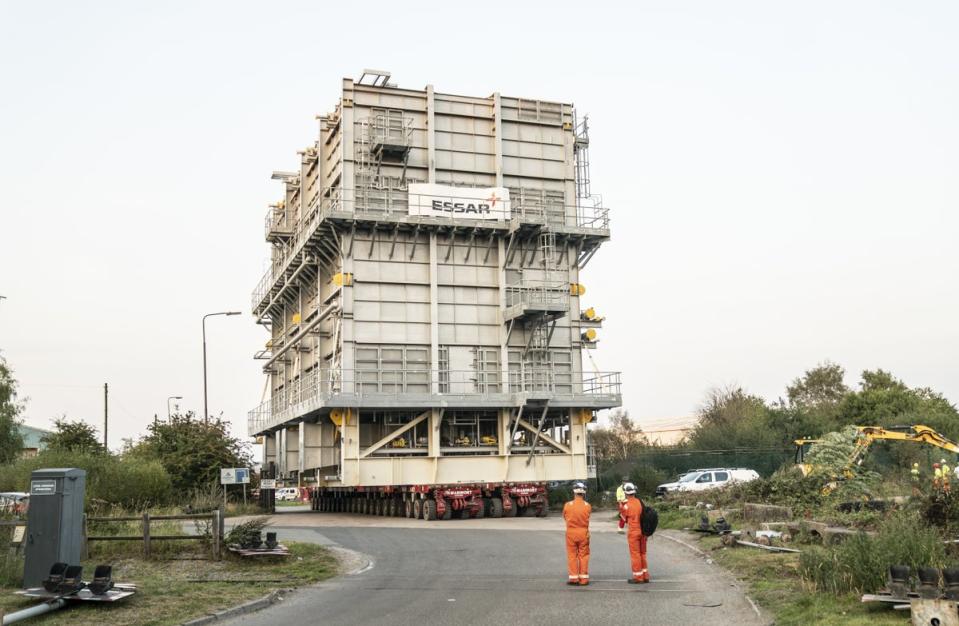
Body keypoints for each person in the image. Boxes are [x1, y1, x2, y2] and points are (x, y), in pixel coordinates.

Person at [563, 481, 591, 586]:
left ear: (574, 491)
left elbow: (565, 517)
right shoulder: (587, 506)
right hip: (583, 533)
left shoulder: (567, 505)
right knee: (583, 556)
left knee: (572, 555)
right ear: (584, 492)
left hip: (571, 533)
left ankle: (573, 578)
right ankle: (584, 579)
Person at [622, 482, 649, 584]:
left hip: (633, 531)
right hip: (643, 531)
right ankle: (645, 575)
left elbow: (623, 519)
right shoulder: (639, 502)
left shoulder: (626, 505)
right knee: (642, 553)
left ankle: (638, 577)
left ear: (625, 493)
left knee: (635, 555)